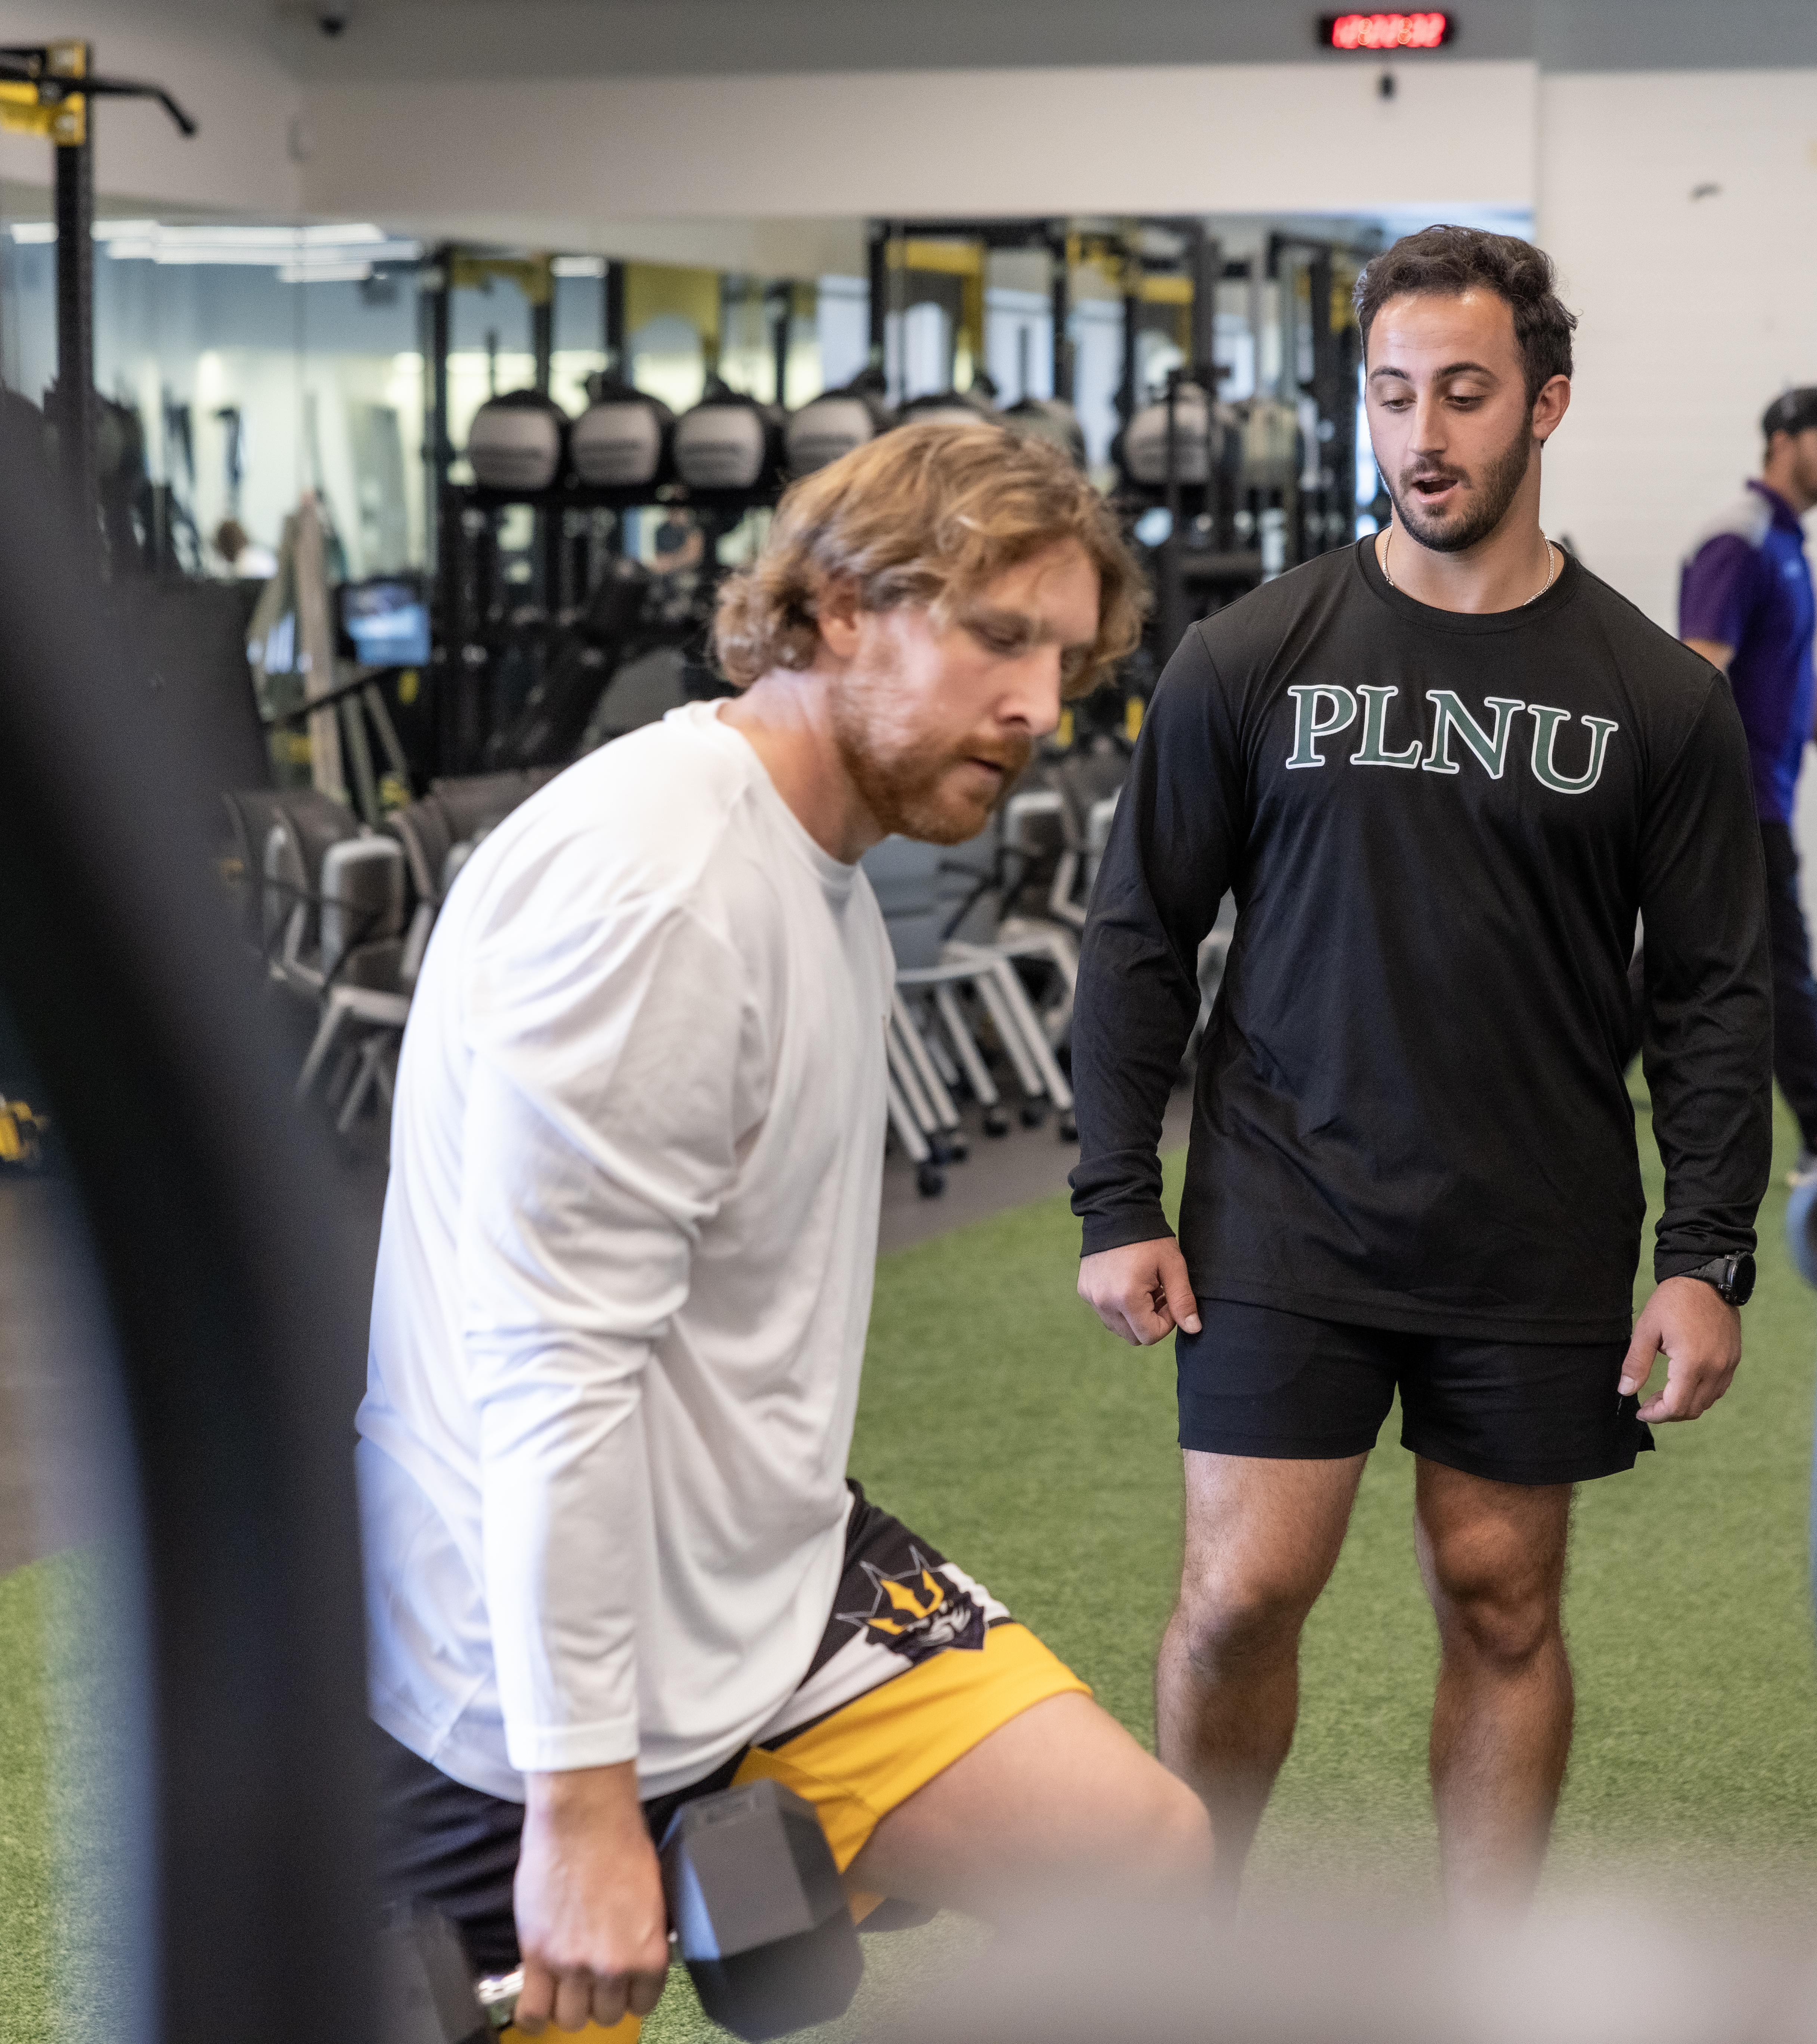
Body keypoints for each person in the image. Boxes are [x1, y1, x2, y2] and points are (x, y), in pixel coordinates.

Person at [360, 422, 1210, 2037]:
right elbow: (551, 1380)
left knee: (1141, 1861)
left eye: (1065, 656)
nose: (1041, 706)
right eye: (997, 638)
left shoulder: (814, 861)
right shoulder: (662, 895)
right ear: (827, 611)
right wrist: (587, 1808)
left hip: (766, 1577)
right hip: (526, 1678)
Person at [1068, 224, 1774, 1916]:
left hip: (1529, 1216)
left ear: (1547, 405)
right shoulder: (1252, 656)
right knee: (1243, 1589)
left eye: (1463, 393)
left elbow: (1712, 992)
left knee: (1501, 1598)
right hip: (1280, 1199)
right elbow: (1139, 932)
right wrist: (1114, 1194)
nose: (1423, 435)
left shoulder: (1654, 700)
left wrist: (1705, 1253)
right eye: (1392, 395)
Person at [1677, 385, 1817, 1181]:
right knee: (1781, 965)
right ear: (1783, 443)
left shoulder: (1787, 547)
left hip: (1764, 796)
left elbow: (1799, 677)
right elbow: (1697, 671)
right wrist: (1692, 807)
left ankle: (1539, 1104)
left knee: (1660, 973)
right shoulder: (1741, 540)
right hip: (1737, 802)